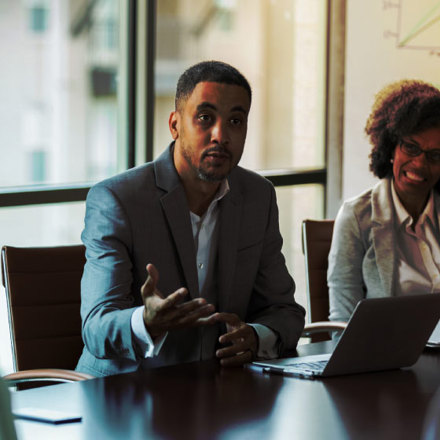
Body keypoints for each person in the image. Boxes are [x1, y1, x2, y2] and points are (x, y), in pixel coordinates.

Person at [76, 60, 305, 376]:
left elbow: (285, 312)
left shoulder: (258, 197)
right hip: (124, 397)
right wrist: (146, 322)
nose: (220, 135)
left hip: (219, 397)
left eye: (235, 121)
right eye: (205, 118)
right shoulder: (117, 200)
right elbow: (96, 326)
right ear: (174, 124)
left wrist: (254, 336)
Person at [328, 79, 440, 323]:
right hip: (388, 356)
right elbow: (342, 323)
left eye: (435, 155)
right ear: (390, 148)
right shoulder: (357, 217)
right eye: (411, 147)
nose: (420, 164)